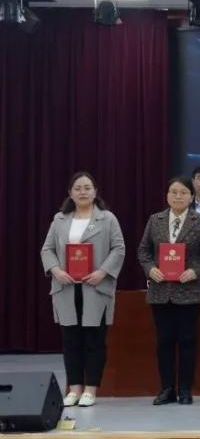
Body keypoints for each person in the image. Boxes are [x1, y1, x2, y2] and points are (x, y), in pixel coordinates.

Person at [40, 172, 125, 408]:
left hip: (95, 287)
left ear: (95, 192)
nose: (83, 192)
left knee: (94, 341)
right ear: (70, 193)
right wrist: (56, 270)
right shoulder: (60, 219)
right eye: (77, 188)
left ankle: (90, 390)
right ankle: (74, 388)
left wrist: (102, 272)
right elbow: (47, 249)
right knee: (71, 341)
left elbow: (119, 249)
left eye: (87, 188)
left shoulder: (107, 218)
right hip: (66, 287)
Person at [136, 176, 200, 406]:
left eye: (183, 192)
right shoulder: (156, 220)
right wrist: (150, 269)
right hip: (161, 291)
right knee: (164, 341)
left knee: (187, 340)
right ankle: (166, 389)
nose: (178, 196)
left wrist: (196, 271)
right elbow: (143, 251)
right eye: (173, 192)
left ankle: (185, 389)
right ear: (167, 195)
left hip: (189, 291)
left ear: (191, 197)